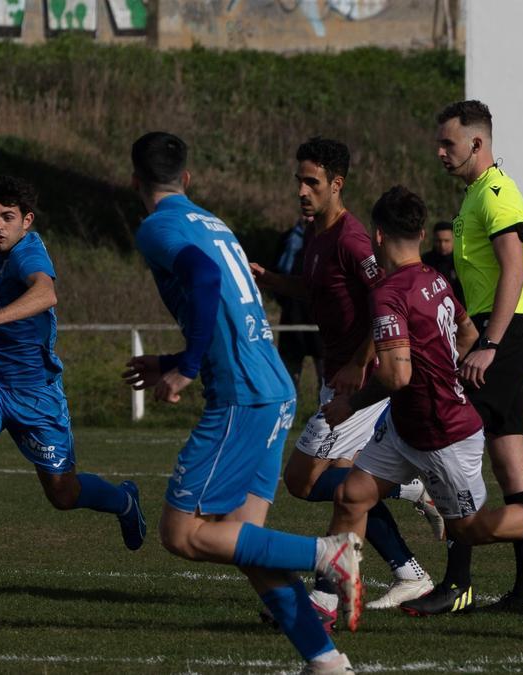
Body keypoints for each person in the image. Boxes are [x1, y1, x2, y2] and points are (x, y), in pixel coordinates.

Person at [121, 131, 361, 675]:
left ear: (135, 180)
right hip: (271, 387)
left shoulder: (157, 227)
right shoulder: (213, 221)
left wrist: (185, 369)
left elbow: (205, 280)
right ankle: (325, 660)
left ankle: (328, 554)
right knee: (244, 543)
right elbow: (230, 310)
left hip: (242, 397)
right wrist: (177, 357)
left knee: (182, 534)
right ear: (186, 179)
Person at [323, 186, 523, 623]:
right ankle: (330, 601)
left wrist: (352, 405)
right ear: (422, 233)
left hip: (441, 432)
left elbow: (397, 375)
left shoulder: (387, 293)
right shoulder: (435, 279)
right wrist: (445, 372)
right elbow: (466, 333)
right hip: (409, 426)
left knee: (470, 530)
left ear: (377, 236)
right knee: (352, 494)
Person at [0, 176, 146, 579]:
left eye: (8, 217)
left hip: (37, 394)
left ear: (26, 221)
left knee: (63, 495)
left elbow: (45, 293)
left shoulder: (28, 253)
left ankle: (124, 501)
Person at [249, 138, 442, 615]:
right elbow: (317, 289)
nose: (301, 189)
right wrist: (273, 280)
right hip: (337, 373)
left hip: (359, 381)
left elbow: (387, 298)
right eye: (299, 179)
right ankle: (406, 572)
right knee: (347, 484)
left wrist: (361, 362)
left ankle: (330, 591)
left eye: (311, 181)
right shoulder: (316, 234)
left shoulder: (354, 240)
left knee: (299, 479)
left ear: (337, 184)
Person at [401, 99, 523, 615]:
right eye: (440, 143)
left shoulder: (497, 195)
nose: (441, 152)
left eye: (449, 143)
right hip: (492, 336)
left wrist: (487, 345)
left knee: (449, 442)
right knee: (511, 466)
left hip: (503, 339)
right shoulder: (472, 198)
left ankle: (458, 582)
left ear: (478, 144)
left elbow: (515, 272)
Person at [273, 218, 325, 389]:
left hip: (321, 321)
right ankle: (288, 414)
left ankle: (326, 415)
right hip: (292, 317)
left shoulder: (331, 239)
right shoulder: (289, 239)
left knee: (326, 380)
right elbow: (276, 275)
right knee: (288, 380)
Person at [421, 221, 464, 306]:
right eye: (438, 241)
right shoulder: (425, 261)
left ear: (454, 240)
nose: (442, 245)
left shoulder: (461, 261)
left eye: (446, 241)